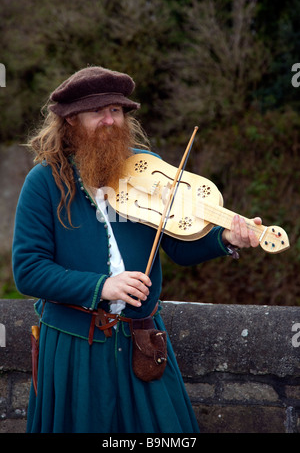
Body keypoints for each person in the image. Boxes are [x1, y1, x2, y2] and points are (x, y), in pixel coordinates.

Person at [12, 66, 261, 433]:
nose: (110, 121)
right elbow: (28, 270)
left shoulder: (147, 170)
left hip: (142, 341)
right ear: (70, 120)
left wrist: (224, 240)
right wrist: (101, 287)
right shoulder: (44, 182)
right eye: (98, 112)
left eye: (116, 111)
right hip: (75, 347)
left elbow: (177, 246)